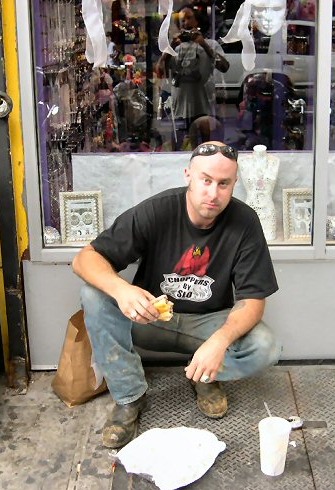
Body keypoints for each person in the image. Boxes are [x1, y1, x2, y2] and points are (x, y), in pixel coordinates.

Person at [72, 141, 282, 449]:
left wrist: (219, 343)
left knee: (266, 347)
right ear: (189, 175)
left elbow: (253, 301)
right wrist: (122, 290)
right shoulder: (158, 210)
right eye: (205, 180)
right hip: (152, 319)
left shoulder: (245, 222)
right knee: (94, 294)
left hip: (208, 324)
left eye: (223, 184)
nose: (213, 193)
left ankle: (203, 375)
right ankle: (130, 397)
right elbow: (84, 259)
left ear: (234, 183)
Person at [155, 5, 229, 143]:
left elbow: (224, 67)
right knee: (183, 144)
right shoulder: (174, 48)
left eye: (189, 18)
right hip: (179, 108)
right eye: (182, 20)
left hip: (203, 104)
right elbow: (159, 71)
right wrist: (169, 49)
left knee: (205, 143)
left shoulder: (210, 44)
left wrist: (204, 45)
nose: (185, 23)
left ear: (197, 21)